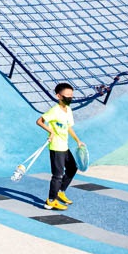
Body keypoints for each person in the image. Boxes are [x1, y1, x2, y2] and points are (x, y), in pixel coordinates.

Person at [35, 82, 84, 211]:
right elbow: (39, 121)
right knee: (57, 175)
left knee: (72, 168)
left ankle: (61, 191)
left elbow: (68, 127)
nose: (70, 98)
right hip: (56, 146)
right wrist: (50, 131)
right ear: (59, 96)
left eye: (71, 95)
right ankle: (50, 201)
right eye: (67, 95)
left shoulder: (68, 110)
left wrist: (78, 140)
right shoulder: (54, 111)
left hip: (64, 146)